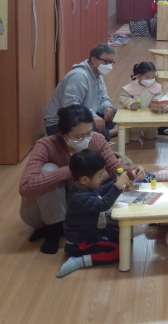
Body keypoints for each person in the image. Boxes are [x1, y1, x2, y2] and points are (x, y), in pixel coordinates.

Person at [19, 105, 146, 254]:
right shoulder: (46, 145)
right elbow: (26, 186)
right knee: (48, 170)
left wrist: (131, 171)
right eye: (79, 137)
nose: (86, 139)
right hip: (43, 213)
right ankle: (53, 229)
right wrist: (70, 171)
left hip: (78, 210)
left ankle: (69, 228)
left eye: (89, 133)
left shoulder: (96, 140)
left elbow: (114, 168)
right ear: (63, 134)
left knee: (121, 216)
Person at [55, 149, 130, 277]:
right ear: (84, 179)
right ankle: (79, 261)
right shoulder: (79, 197)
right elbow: (103, 204)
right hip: (81, 242)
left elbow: (102, 189)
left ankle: (95, 246)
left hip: (93, 232)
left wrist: (117, 182)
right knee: (119, 252)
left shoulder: (85, 188)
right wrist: (117, 186)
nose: (101, 179)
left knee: (122, 233)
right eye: (100, 176)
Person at [43, 43, 118, 141]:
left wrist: (107, 107)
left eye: (111, 62)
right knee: (93, 133)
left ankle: (103, 133)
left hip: (84, 115)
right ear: (94, 60)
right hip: (60, 123)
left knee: (115, 113)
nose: (109, 66)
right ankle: (110, 133)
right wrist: (93, 116)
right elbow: (71, 107)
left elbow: (104, 98)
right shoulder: (79, 76)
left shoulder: (98, 75)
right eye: (106, 61)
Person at [119, 61, 161, 140]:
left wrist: (156, 100)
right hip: (135, 116)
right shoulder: (131, 87)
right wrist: (130, 103)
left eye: (153, 77)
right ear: (139, 76)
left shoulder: (156, 86)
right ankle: (135, 133)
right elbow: (123, 98)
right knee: (134, 138)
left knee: (151, 136)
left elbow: (160, 95)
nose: (151, 80)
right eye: (147, 78)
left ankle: (149, 132)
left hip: (150, 116)